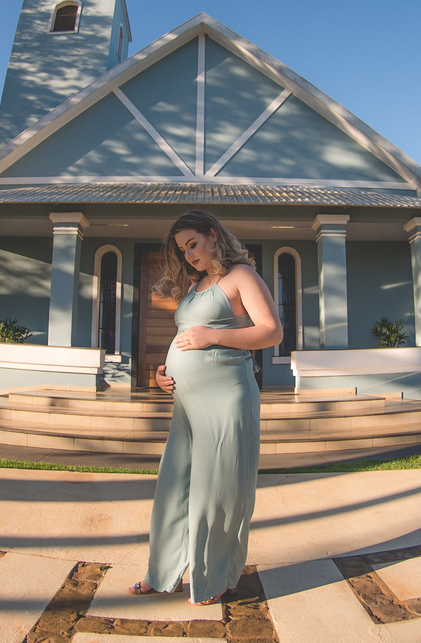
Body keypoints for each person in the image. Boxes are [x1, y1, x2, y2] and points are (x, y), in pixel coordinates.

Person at [127, 210, 282, 605]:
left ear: (213, 235)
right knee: (173, 488)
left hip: (226, 398)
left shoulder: (242, 276)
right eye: (183, 250)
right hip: (186, 404)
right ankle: (162, 573)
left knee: (219, 492)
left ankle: (215, 578)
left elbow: (271, 331)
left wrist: (212, 336)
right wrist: (164, 373)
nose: (189, 254)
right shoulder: (197, 286)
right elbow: (188, 335)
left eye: (193, 244)